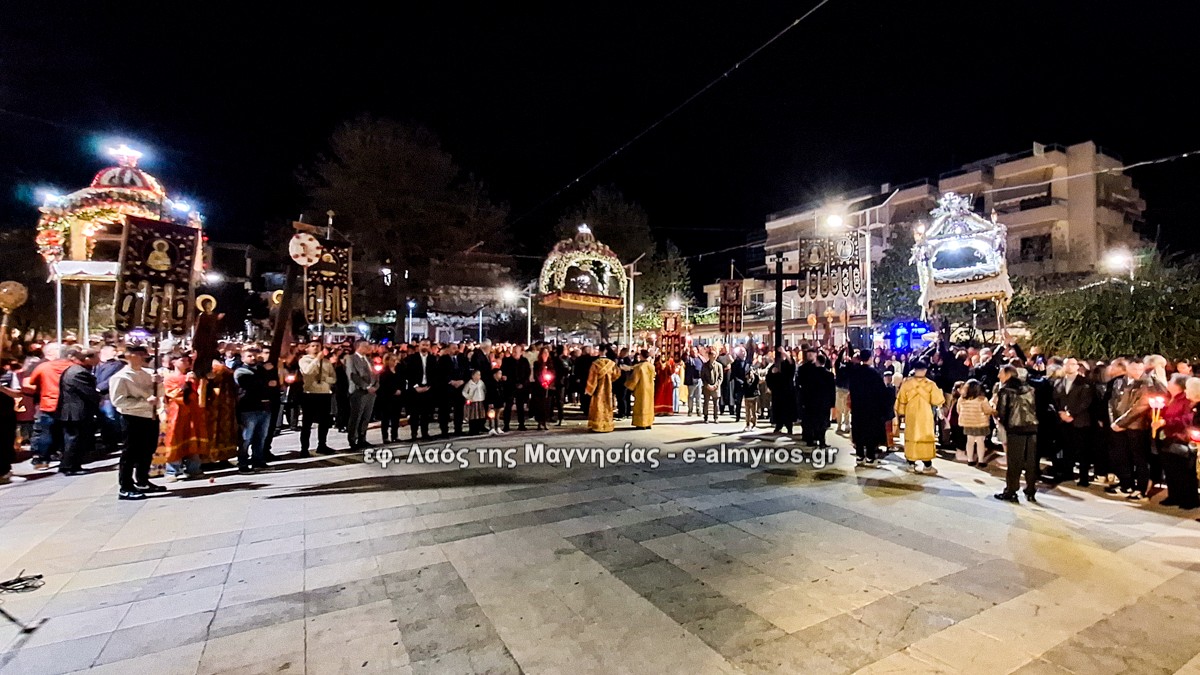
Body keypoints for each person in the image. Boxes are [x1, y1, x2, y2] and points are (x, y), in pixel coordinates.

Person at [109, 345, 163, 499]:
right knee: (130, 452)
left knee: (148, 450)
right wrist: (145, 402)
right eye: (139, 354)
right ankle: (125, 485)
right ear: (129, 356)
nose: (143, 357)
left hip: (150, 416)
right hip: (132, 417)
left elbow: (159, 395)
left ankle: (143, 479)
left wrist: (158, 384)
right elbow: (119, 401)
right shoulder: (121, 377)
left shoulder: (149, 374)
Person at [1108, 357, 1164, 500]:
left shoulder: (1147, 383)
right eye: (1133, 368)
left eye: (1140, 369)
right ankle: (1126, 484)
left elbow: (1139, 407)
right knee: (1122, 455)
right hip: (1118, 426)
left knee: (1139, 458)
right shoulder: (1119, 381)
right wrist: (1114, 421)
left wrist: (1121, 422)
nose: (1137, 372)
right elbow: (1112, 402)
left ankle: (1141, 489)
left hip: (1136, 426)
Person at [154, 353, 207, 481]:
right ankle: (173, 471)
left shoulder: (194, 376)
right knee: (175, 440)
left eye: (187, 360)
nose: (185, 362)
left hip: (193, 413)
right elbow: (173, 394)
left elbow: (201, 394)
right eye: (182, 360)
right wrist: (186, 384)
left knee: (193, 439)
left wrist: (200, 382)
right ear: (174, 362)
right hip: (176, 414)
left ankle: (194, 469)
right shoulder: (169, 378)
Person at [994, 365, 1040, 503]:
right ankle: (1030, 490)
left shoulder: (1005, 390)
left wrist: (1000, 420)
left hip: (1015, 428)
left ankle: (1011, 491)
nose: (998, 376)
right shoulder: (1030, 389)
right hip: (1032, 427)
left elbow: (1002, 412)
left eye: (1000, 373)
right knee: (1031, 461)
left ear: (1008, 374)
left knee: (1014, 462)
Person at [1153, 374, 1199, 510]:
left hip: (1180, 438)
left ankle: (1188, 499)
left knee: (1183, 471)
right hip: (1167, 436)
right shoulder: (1170, 398)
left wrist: (1167, 422)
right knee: (1171, 469)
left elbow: (1186, 419)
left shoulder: (1187, 402)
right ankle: (1174, 495)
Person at [22, 342, 70, 470]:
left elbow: (28, 385)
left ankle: (47, 457)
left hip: (51, 403)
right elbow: (28, 385)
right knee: (52, 431)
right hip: (58, 404)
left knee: (49, 431)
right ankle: (50, 457)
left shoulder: (44, 366)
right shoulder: (40, 365)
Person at [894, 360, 945, 474]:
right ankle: (927, 465)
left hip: (911, 413)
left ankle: (911, 463)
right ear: (925, 370)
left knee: (911, 435)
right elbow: (938, 400)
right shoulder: (930, 384)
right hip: (925, 414)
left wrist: (901, 414)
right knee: (925, 435)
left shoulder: (907, 383)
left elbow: (901, 400)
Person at [1052, 357, 1095, 485]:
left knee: (1082, 451)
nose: (1069, 367)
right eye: (1066, 364)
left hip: (1080, 421)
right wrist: (1060, 413)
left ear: (1077, 366)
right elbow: (1055, 399)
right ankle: (1067, 473)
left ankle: (1083, 477)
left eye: (1072, 364)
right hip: (1063, 421)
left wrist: (1071, 414)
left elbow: (1085, 401)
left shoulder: (1085, 383)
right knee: (1066, 448)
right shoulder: (1058, 382)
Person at [234, 349, 275, 473]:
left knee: (261, 436)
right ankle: (243, 463)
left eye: (255, 356)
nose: (253, 358)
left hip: (264, 407)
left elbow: (274, 383)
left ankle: (258, 460)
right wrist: (267, 381)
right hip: (248, 408)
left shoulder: (260, 370)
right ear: (242, 358)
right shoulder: (241, 371)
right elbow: (251, 385)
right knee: (246, 437)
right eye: (249, 356)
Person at [846, 349, 889, 464]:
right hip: (871, 408)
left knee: (858, 430)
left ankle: (860, 455)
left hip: (857, 407)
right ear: (870, 358)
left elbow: (851, 389)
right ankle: (870, 456)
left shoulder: (855, 373)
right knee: (870, 431)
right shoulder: (874, 374)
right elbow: (881, 392)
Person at [298, 342, 336, 454]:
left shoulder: (326, 362)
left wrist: (325, 379)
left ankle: (322, 445)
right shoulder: (304, 360)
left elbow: (333, 378)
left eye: (318, 346)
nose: (316, 348)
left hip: (324, 394)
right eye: (313, 346)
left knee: (324, 421)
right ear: (307, 348)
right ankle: (304, 448)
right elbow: (307, 372)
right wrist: (316, 360)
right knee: (307, 422)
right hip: (310, 393)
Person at [347, 339, 380, 448]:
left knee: (366, 416)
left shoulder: (369, 360)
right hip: (359, 392)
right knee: (356, 416)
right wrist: (366, 386)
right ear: (359, 347)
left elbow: (375, 374)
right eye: (366, 346)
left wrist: (375, 385)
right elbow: (353, 375)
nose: (368, 348)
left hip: (371, 393)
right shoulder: (351, 359)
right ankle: (353, 439)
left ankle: (362, 437)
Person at [94, 344, 126, 454]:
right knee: (102, 419)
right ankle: (106, 440)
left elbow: (112, 379)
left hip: (108, 396)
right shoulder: (96, 364)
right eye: (113, 350)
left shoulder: (117, 365)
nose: (115, 353)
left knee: (110, 419)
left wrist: (99, 388)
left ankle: (112, 442)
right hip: (98, 397)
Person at [801, 353, 835, 447]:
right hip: (824, 402)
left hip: (811, 401)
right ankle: (822, 441)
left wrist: (804, 400)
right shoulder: (829, 375)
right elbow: (832, 390)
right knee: (823, 422)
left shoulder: (810, 374)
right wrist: (832, 402)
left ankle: (811, 440)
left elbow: (806, 388)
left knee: (811, 421)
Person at [957, 379, 994, 467]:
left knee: (970, 441)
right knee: (980, 441)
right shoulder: (982, 399)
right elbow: (987, 410)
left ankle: (970, 459)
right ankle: (980, 460)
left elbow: (959, 410)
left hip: (968, 423)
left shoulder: (961, 399)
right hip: (980, 423)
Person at [584, 349, 619, 432]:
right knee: (607, 405)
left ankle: (597, 425)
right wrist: (610, 380)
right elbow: (616, 374)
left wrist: (589, 389)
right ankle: (607, 425)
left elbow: (592, 378)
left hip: (598, 389)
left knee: (598, 406)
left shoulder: (595, 364)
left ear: (599, 352)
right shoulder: (612, 364)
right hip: (608, 387)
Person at [500, 344, 531, 432]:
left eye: (516, 352)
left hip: (521, 387)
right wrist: (505, 378)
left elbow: (527, 373)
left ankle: (521, 424)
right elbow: (503, 371)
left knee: (520, 406)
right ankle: (506, 425)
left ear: (521, 352)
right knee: (508, 406)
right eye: (513, 351)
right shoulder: (506, 361)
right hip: (510, 386)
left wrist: (523, 384)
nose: (514, 353)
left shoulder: (524, 361)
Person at [765, 349, 796, 435]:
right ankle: (779, 426)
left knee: (788, 410)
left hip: (787, 392)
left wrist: (784, 352)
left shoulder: (788, 363)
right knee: (778, 410)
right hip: (777, 392)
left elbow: (792, 364)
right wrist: (772, 372)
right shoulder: (775, 365)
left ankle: (789, 427)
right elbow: (769, 377)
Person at [376, 353, 405, 444]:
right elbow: (384, 385)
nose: (395, 362)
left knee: (395, 418)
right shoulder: (384, 372)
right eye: (393, 360)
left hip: (397, 398)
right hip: (387, 398)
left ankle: (394, 435)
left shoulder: (399, 371)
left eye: (396, 360)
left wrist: (400, 390)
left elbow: (402, 381)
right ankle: (385, 437)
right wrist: (393, 391)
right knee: (386, 418)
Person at [627, 349, 656, 429]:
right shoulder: (651, 366)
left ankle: (641, 423)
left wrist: (629, 386)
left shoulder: (639, 367)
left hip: (641, 388)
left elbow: (635, 379)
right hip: (650, 388)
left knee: (641, 405)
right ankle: (649, 422)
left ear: (641, 356)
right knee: (649, 405)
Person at [531, 347, 555, 431]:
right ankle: (540, 422)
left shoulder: (551, 363)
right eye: (544, 352)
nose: (545, 354)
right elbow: (536, 375)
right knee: (539, 405)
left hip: (549, 387)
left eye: (547, 352)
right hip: (539, 387)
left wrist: (549, 382)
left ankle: (545, 421)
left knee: (547, 405)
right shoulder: (537, 363)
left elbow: (553, 374)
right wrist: (542, 382)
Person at [700, 347, 724, 423]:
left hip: (716, 387)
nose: (712, 356)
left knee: (716, 403)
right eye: (710, 354)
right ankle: (706, 416)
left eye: (713, 355)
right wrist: (707, 385)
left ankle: (716, 417)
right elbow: (702, 376)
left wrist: (716, 385)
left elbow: (720, 377)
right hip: (707, 387)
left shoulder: (719, 365)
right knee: (706, 402)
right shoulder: (704, 365)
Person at [463, 370, 488, 435]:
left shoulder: (481, 383)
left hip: (480, 401)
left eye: (479, 375)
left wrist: (483, 396)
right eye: (476, 375)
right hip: (473, 402)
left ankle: (478, 429)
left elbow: (485, 390)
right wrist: (468, 397)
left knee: (480, 416)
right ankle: (472, 430)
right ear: (473, 376)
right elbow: (464, 392)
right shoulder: (469, 383)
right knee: (473, 417)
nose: (478, 376)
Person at [684, 348, 702, 416]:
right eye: (692, 351)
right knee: (691, 396)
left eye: (695, 351)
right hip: (691, 380)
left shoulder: (700, 359)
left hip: (699, 380)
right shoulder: (689, 359)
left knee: (698, 396)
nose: (694, 352)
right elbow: (684, 358)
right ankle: (690, 410)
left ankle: (699, 410)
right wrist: (686, 352)